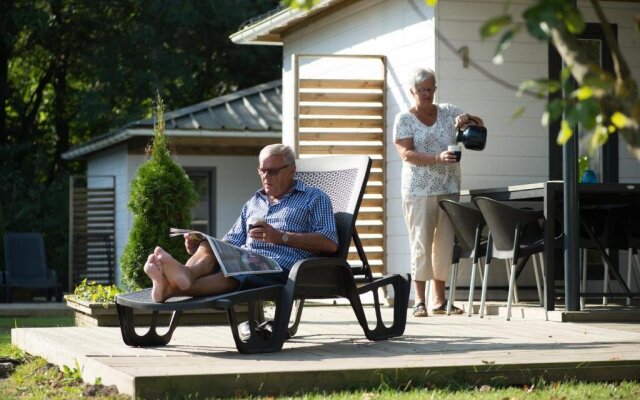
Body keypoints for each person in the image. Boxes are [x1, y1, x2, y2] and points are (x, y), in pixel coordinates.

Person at [144, 143, 339, 302]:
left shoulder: (314, 198)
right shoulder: (255, 202)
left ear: (292, 170)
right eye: (262, 171)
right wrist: (200, 245)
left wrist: (282, 237)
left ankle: (171, 288)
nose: (266, 177)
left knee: (237, 270)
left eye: (272, 171)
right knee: (211, 245)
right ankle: (184, 275)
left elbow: (329, 242)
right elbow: (231, 241)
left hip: (281, 267)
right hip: (247, 259)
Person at [393, 68, 485, 317]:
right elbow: (406, 154)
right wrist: (436, 157)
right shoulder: (404, 118)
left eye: (430, 88)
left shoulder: (449, 111)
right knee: (421, 243)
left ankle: (440, 300)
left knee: (444, 244)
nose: (426, 93)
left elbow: (480, 125)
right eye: (421, 89)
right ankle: (419, 301)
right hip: (418, 190)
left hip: (449, 187)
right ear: (412, 92)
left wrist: (468, 119)